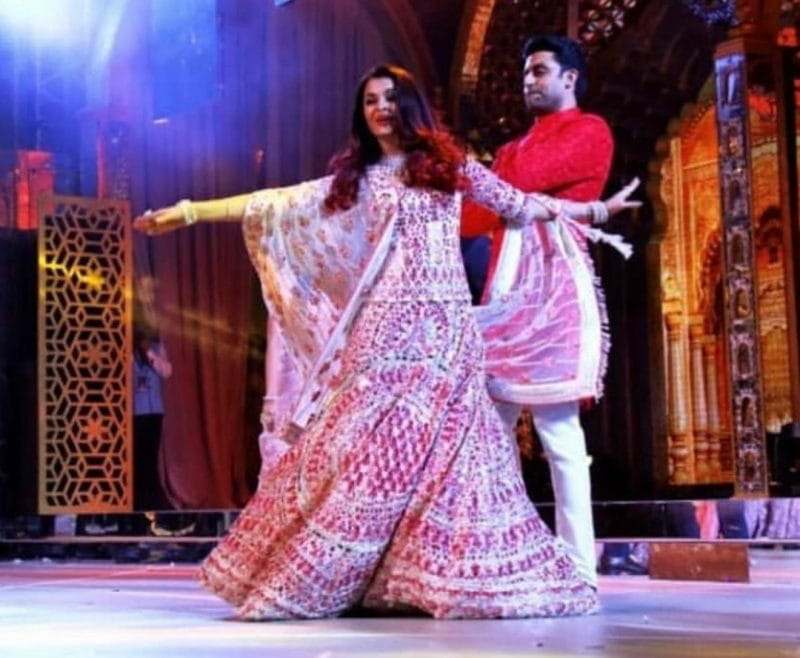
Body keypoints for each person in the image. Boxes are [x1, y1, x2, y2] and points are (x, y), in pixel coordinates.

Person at [134, 64, 639, 620]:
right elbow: (275, 202)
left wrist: (597, 212)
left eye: (390, 98)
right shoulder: (357, 181)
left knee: (453, 464)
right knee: (364, 454)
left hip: (447, 333)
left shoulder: (451, 169)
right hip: (384, 334)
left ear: (411, 106)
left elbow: (523, 205)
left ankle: (430, 578)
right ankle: (344, 572)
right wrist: (190, 212)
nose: (380, 108)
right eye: (370, 100)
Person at [461, 34, 623, 587]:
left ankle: (578, 567)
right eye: (525, 72)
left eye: (539, 71)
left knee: (558, 428)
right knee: (489, 431)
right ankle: (500, 557)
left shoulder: (589, 131)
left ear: (569, 77)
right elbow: (475, 216)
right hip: (504, 289)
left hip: (553, 282)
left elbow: (512, 188)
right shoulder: (511, 148)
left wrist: (468, 173)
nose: (528, 80)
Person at [132, 327, 173, 511]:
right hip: (133, 413)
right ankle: (135, 499)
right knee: (135, 458)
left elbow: (167, 372)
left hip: (154, 411)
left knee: (150, 458)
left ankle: (150, 499)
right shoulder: (128, 351)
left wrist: (151, 354)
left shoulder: (157, 348)